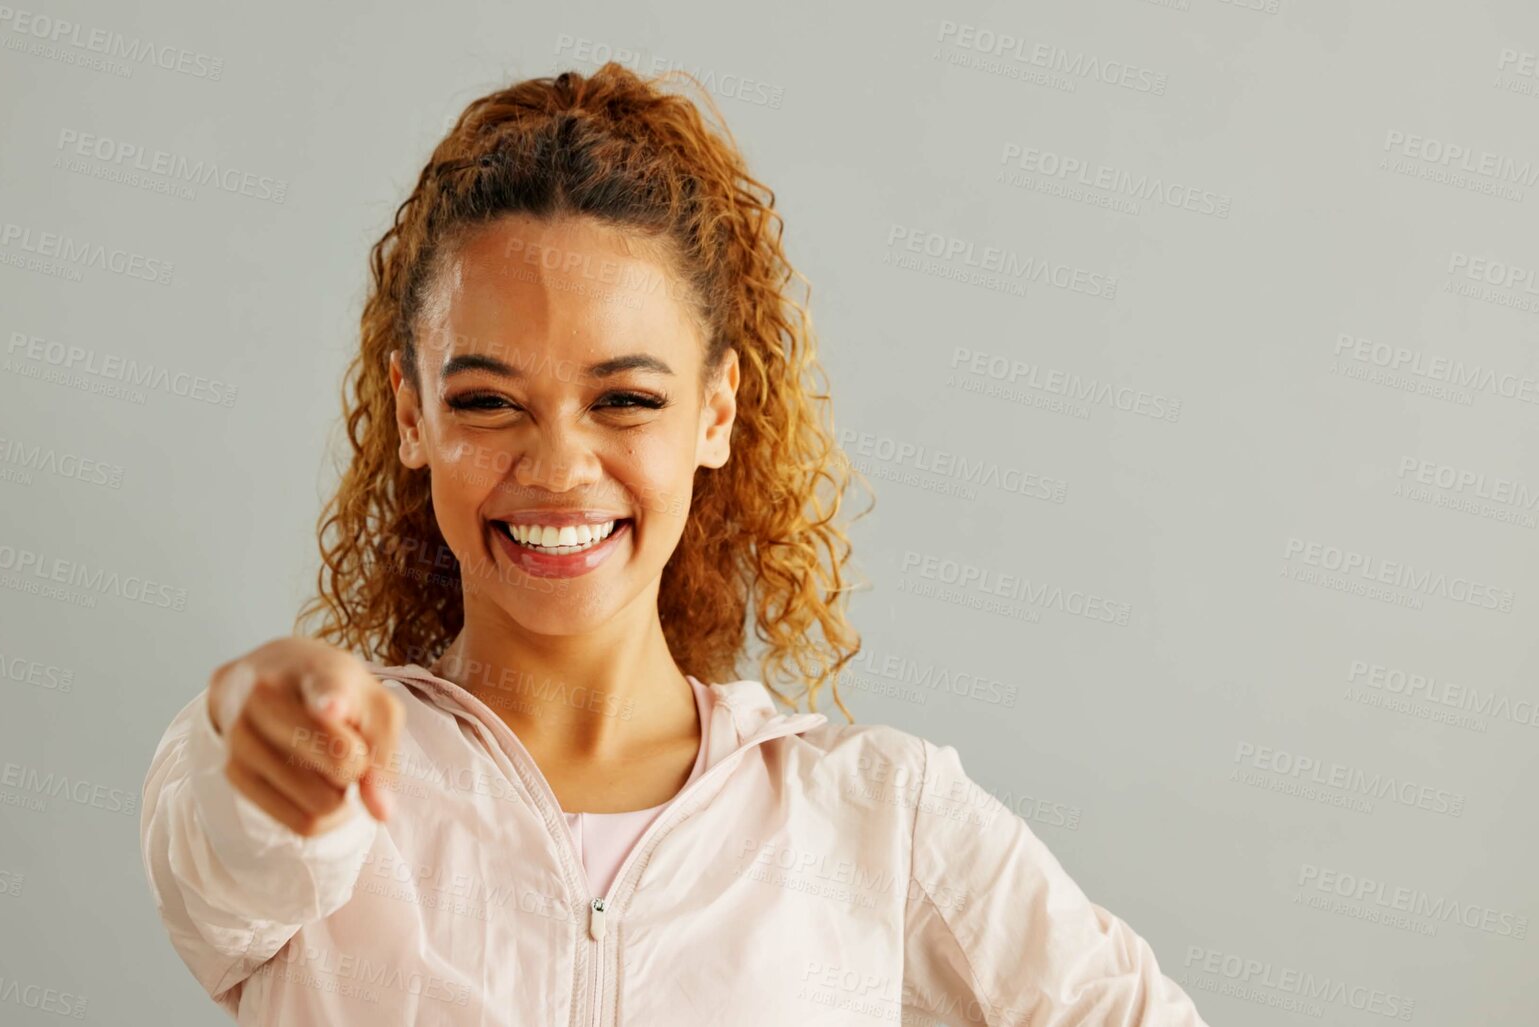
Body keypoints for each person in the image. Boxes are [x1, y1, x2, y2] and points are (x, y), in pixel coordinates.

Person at [139, 63, 1212, 1026]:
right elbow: (229, 853)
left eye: (624, 398)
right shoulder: (328, 778)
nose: (558, 466)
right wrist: (255, 721)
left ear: (716, 411)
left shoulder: (878, 817)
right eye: (488, 400)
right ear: (412, 414)